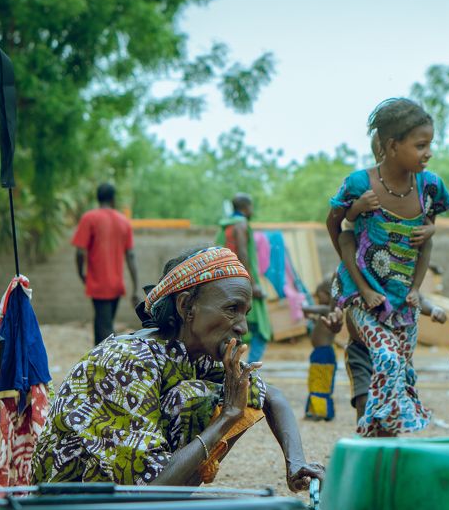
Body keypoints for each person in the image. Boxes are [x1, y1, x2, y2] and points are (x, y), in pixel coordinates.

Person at [32, 246, 325, 489]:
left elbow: (270, 395)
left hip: (127, 499)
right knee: (197, 398)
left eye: (245, 313)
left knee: (234, 391)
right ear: (186, 306)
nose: (242, 326)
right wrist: (228, 417)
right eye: (231, 309)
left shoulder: (195, 353)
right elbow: (148, 488)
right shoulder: (129, 360)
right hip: (72, 506)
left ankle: (170, 508)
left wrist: (295, 463)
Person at [325, 98, 449, 436]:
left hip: (401, 298)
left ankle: (386, 443)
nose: (428, 152)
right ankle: (368, 433)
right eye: (420, 145)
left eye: (430, 144)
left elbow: (426, 239)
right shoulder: (359, 185)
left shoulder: (430, 187)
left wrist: (415, 290)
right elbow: (339, 231)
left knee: (400, 371)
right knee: (386, 357)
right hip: (361, 293)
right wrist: (362, 288)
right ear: (393, 146)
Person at [72, 182, 140, 345]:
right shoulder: (124, 221)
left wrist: (81, 273)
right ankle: (98, 360)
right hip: (116, 285)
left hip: (98, 284)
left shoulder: (90, 218)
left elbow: (80, 252)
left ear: (98, 198)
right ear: (113, 199)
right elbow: (130, 255)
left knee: (105, 327)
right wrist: (135, 287)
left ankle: (110, 363)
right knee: (102, 322)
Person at [216, 193, 272, 363]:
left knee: (230, 329)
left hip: (226, 284)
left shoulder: (225, 227)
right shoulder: (241, 225)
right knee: (261, 330)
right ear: (246, 208)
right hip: (243, 283)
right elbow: (242, 253)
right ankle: (248, 370)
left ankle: (232, 369)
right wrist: (252, 284)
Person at [301, 277, 340, 421]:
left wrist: (301, 303)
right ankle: (319, 411)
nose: (317, 298)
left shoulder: (327, 309)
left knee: (319, 381)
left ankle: (320, 412)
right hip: (321, 352)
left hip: (323, 353)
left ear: (328, 293)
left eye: (319, 295)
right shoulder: (326, 313)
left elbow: (307, 308)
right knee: (317, 381)